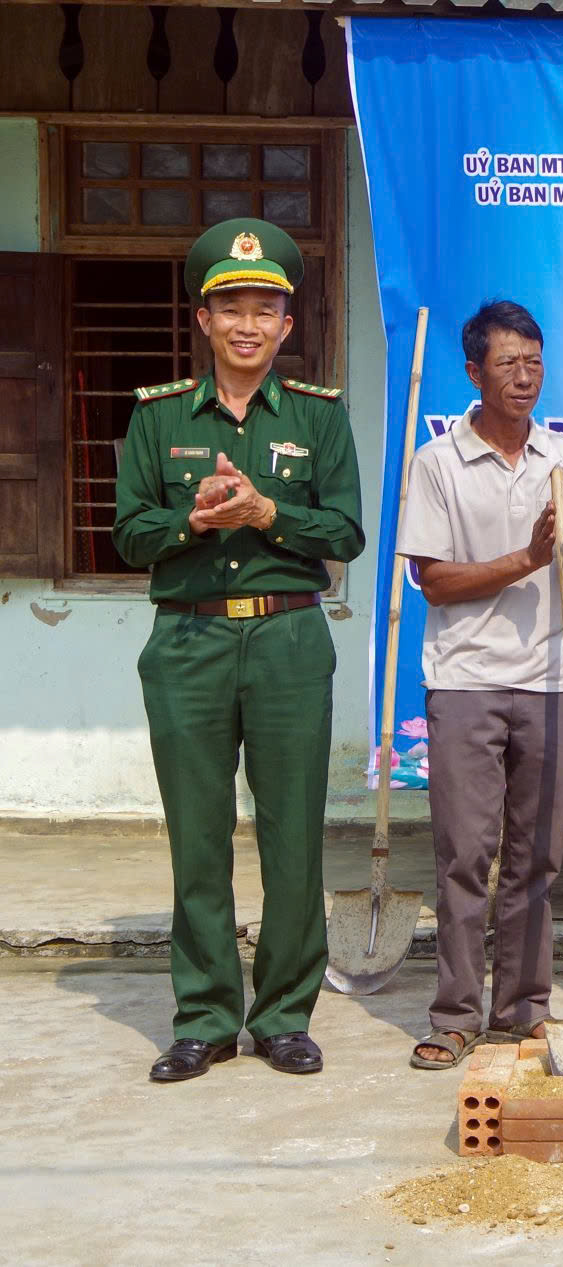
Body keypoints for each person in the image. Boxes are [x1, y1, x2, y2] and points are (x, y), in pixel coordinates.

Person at [113, 218, 365, 1082]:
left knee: (293, 833)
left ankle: (286, 1014)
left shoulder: (318, 419)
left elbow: (346, 531)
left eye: (266, 309)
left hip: (291, 635)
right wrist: (192, 518)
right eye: (232, 309)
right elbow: (128, 535)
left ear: (288, 326)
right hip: (187, 639)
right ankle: (207, 1016)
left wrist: (267, 514)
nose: (249, 324)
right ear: (204, 320)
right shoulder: (157, 419)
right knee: (198, 833)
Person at [397, 300, 563, 1069]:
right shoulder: (439, 463)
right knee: (464, 853)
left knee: (537, 858)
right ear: (474, 371)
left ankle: (522, 1007)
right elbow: (436, 580)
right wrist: (528, 556)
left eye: (535, 362)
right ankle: (454, 1012)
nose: (524, 376)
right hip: (466, 681)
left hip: (548, 679)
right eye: (508, 363)